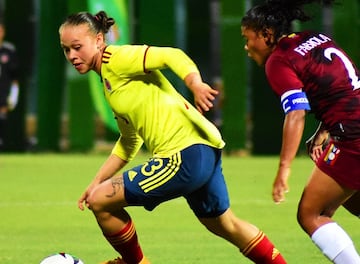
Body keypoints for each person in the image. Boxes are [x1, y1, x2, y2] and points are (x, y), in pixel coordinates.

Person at [59, 10, 287, 264]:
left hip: (183, 155)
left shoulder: (117, 58)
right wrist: (97, 181)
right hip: (203, 149)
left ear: (100, 40)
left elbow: (171, 55)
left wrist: (196, 84)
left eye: (77, 47)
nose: (72, 56)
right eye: (66, 50)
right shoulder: (109, 82)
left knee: (101, 202)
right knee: (225, 224)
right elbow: (129, 142)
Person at [241, 0, 360, 263]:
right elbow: (342, 87)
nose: (247, 47)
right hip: (351, 124)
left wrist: (284, 168)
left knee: (311, 214)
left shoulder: (278, 61)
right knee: (352, 200)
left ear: (266, 35)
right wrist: (323, 129)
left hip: (353, 137)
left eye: (248, 39)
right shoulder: (316, 37)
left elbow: (296, 112)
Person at [0, 21, 19, 151]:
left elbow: (15, 76)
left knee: (2, 118)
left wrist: (14, 94)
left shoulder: (9, 50)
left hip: (3, 91)